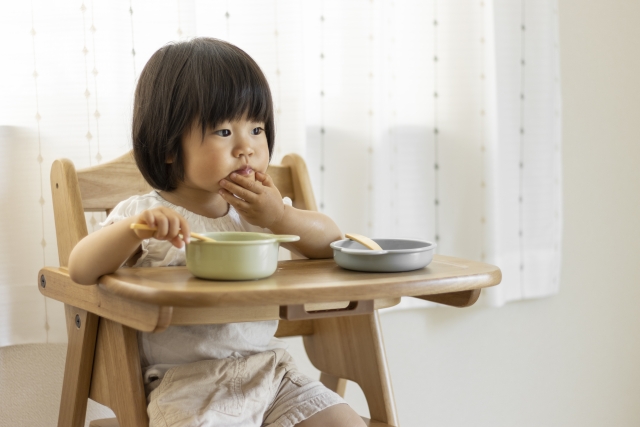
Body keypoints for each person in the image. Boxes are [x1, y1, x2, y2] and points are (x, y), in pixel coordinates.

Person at [68, 37, 365, 427]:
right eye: (224, 132)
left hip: (272, 374)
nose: (246, 147)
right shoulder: (145, 215)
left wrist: (282, 218)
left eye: (257, 128)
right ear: (170, 147)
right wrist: (133, 231)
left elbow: (331, 244)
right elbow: (80, 268)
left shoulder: (260, 211)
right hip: (189, 386)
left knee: (346, 423)